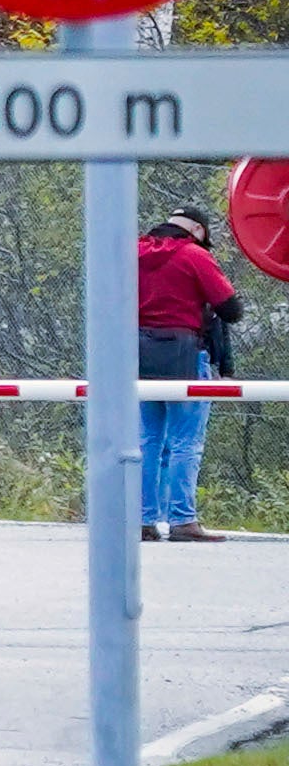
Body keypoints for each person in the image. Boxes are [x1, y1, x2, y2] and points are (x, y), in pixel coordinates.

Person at [137, 206, 244, 541]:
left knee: (147, 440)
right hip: (185, 354)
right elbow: (231, 309)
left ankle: (141, 520)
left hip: (135, 355)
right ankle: (183, 520)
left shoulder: (132, 251)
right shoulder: (194, 256)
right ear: (198, 230)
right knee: (186, 442)